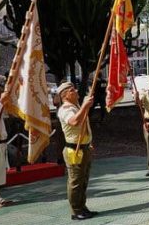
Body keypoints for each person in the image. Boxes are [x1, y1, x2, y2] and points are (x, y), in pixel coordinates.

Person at [55, 82, 98, 220]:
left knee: (83, 180)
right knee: (76, 182)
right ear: (65, 96)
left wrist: (89, 142)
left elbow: (84, 126)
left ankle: (82, 206)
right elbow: (74, 122)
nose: (76, 91)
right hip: (74, 150)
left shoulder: (75, 107)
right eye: (72, 90)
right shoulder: (65, 109)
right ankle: (76, 210)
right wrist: (85, 106)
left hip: (84, 147)